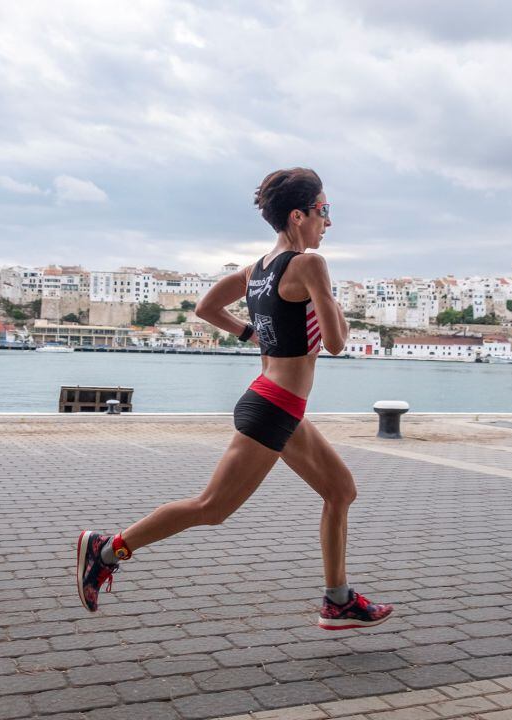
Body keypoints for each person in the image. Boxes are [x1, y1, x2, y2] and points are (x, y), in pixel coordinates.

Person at [76, 168, 393, 630]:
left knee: (340, 491)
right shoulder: (310, 265)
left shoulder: (256, 270)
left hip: (277, 403)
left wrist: (251, 333)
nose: (329, 222)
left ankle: (338, 600)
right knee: (211, 508)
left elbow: (206, 308)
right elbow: (337, 342)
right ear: (298, 215)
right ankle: (106, 550)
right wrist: (330, 301)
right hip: (273, 408)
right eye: (324, 211)